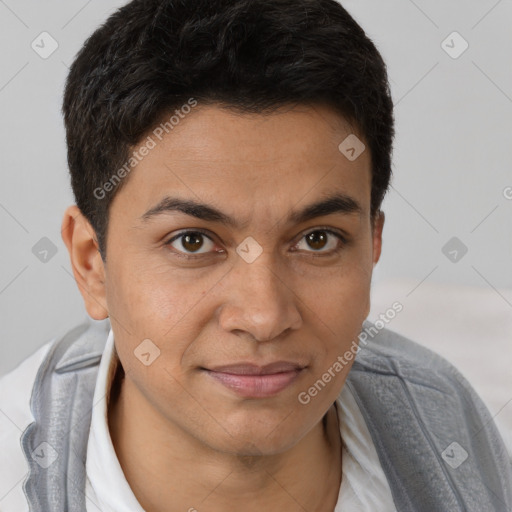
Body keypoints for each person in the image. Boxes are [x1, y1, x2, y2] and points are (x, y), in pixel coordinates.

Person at [0, 0, 511, 510]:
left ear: (373, 245)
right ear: (92, 264)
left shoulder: (446, 424)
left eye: (318, 239)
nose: (265, 317)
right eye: (193, 241)